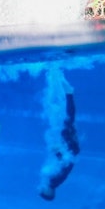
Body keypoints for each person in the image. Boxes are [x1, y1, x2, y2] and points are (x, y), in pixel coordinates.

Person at [39, 73, 80, 201]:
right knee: (68, 121)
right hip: (70, 149)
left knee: (66, 122)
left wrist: (58, 152)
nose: (40, 188)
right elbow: (66, 165)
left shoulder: (53, 182)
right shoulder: (54, 182)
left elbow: (63, 165)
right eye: (43, 191)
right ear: (49, 192)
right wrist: (58, 152)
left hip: (70, 149)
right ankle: (69, 93)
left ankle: (68, 94)